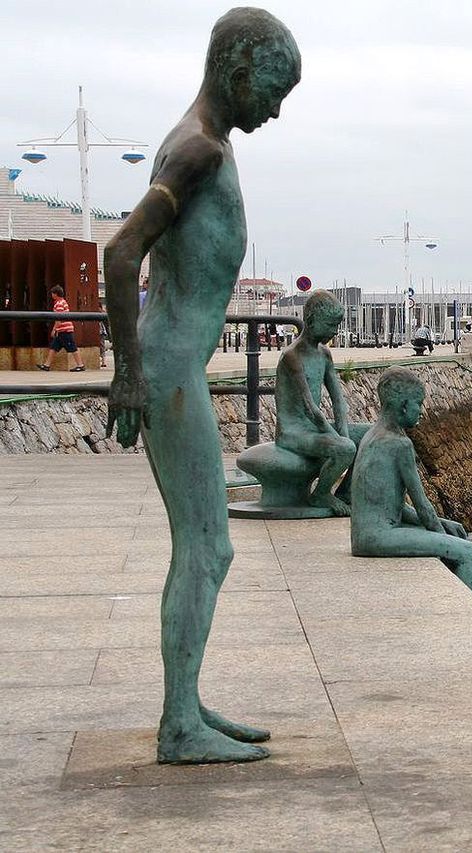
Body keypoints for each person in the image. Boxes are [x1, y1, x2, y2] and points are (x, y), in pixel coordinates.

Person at [103, 7, 301, 765]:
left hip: (171, 364)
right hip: (171, 371)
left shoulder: (203, 143)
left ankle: (186, 703)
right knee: (207, 546)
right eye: (274, 90)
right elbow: (122, 255)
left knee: (204, 545)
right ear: (238, 68)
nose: (277, 110)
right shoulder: (196, 153)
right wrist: (128, 377)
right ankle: (179, 724)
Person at [349, 367, 472, 594]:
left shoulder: (371, 435)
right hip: (378, 538)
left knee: (453, 533)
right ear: (404, 405)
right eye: (418, 404)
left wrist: (444, 524)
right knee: (468, 552)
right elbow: (423, 506)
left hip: (364, 534)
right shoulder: (400, 445)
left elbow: (391, 505)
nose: (421, 411)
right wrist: (443, 541)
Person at [274, 290, 358, 516]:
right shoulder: (292, 356)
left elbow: (338, 399)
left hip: (313, 429)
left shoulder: (324, 354)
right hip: (293, 432)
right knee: (346, 447)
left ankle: (345, 491)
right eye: (330, 325)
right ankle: (320, 493)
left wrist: (343, 430)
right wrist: (336, 437)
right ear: (311, 320)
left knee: (368, 435)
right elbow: (311, 408)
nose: (335, 331)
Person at [37, 285, 86, 372]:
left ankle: (80, 365)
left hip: (65, 330)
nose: (51, 295)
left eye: (52, 293)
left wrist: (54, 329)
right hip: (63, 329)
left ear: (56, 294)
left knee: (72, 347)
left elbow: (58, 318)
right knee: (53, 348)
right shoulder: (63, 302)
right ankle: (46, 365)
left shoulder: (59, 304)